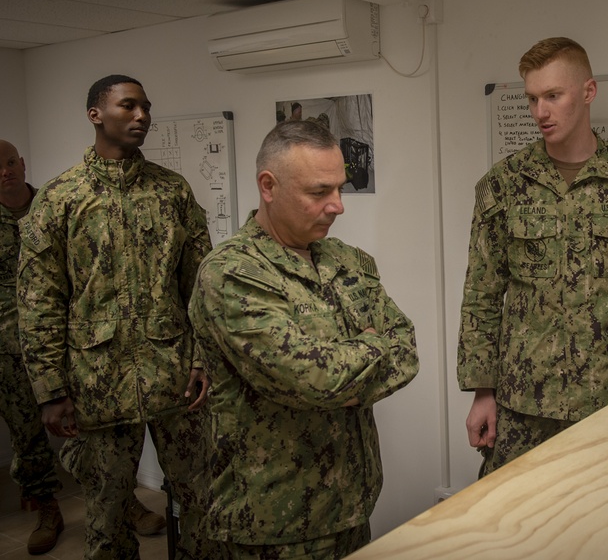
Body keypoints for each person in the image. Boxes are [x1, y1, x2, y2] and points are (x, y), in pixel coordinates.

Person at [457, 37, 608, 476]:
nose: (540, 112)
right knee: (511, 524)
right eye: (532, 99)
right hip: (522, 403)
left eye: (552, 96)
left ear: (588, 92)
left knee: (603, 525)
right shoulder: (502, 186)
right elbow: (481, 295)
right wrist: (481, 392)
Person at [188, 120, 419, 558]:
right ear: (269, 186)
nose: (337, 206)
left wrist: (340, 377)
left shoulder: (349, 261)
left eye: (340, 190)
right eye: (319, 192)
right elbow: (312, 379)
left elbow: (406, 349)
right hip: (275, 520)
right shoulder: (232, 274)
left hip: (352, 501)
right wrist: (371, 348)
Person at [17, 75, 219, 558]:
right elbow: (39, 300)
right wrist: (51, 390)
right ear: (95, 115)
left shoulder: (171, 191)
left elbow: (201, 286)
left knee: (201, 501)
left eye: (146, 107)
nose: (142, 116)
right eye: (128, 106)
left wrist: (201, 358)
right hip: (97, 385)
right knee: (107, 517)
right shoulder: (61, 197)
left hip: (175, 380)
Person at [0, 140, 65, 554]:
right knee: (27, 436)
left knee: (90, 429)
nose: (5, 172)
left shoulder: (53, 207)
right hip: (9, 352)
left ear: (22, 163)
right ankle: (48, 508)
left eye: (9, 163)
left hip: (62, 339)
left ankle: (118, 500)